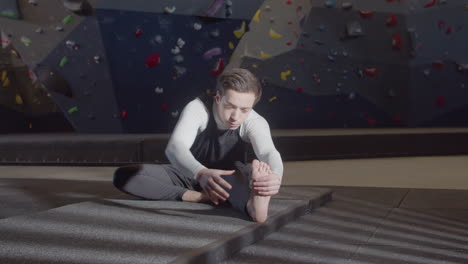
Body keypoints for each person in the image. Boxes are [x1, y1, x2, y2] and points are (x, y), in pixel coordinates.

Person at [113, 68, 283, 223]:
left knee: (250, 173)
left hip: (229, 179)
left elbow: (268, 152)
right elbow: (175, 147)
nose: (235, 117)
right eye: (230, 106)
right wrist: (201, 173)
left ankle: (253, 205)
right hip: (188, 175)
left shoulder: (255, 121)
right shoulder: (198, 108)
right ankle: (202, 197)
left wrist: (275, 177)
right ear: (218, 98)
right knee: (125, 176)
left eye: (244, 110)